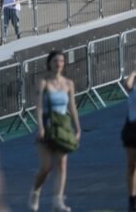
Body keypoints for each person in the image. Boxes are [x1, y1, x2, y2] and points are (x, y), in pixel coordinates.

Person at [29, 51, 81, 212]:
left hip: (62, 125)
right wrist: (40, 127)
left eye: (61, 60)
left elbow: (72, 107)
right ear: (49, 63)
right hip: (47, 123)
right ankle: (35, 191)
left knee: (62, 164)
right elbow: (39, 106)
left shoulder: (69, 83)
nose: (58, 63)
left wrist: (77, 127)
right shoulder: (44, 82)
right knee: (46, 167)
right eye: (55, 60)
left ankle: (58, 201)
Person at [122, 70, 136, 211]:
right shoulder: (133, 86)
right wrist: (133, 72)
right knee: (132, 165)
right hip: (132, 128)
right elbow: (127, 84)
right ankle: (132, 199)